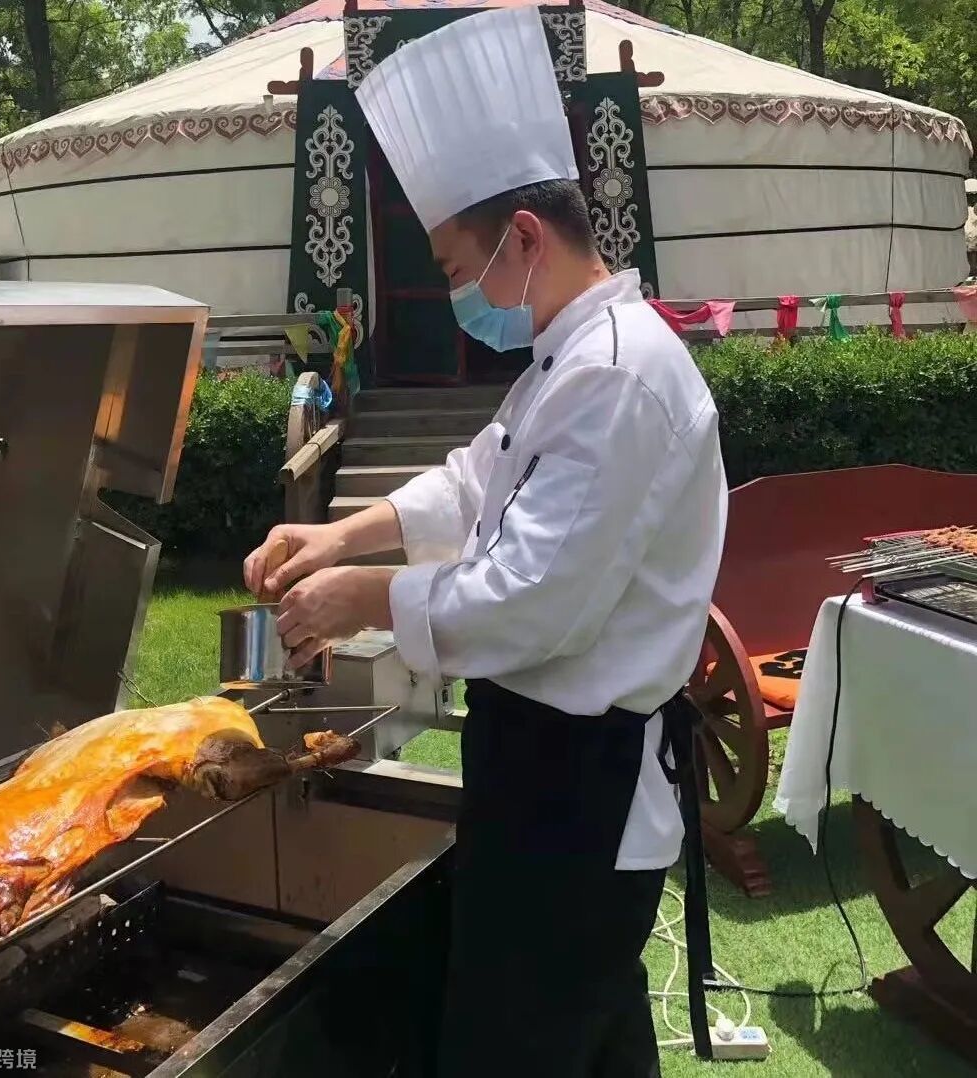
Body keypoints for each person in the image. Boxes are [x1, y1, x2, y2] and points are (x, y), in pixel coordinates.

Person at [243, 7, 727, 1076]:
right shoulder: (566, 358)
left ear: (524, 237)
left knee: (513, 1046)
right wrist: (339, 533)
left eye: (456, 265)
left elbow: (530, 601)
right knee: (594, 1040)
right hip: (541, 772)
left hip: (576, 788)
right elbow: (476, 480)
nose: (458, 294)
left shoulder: (615, 374)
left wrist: (357, 597)